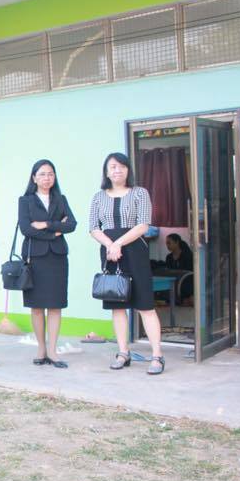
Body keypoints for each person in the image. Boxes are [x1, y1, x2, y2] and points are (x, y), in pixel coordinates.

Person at [89, 152, 165, 375]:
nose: (117, 170)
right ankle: (123, 352)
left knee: (145, 305)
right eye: (112, 167)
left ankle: (157, 356)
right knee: (117, 305)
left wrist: (118, 243)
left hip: (134, 251)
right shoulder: (98, 197)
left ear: (128, 170)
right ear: (106, 172)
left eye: (121, 166)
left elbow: (143, 225)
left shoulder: (140, 193)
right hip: (110, 254)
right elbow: (93, 227)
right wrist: (110, 245)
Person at [18, 160, 77, 369]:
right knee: (36, 306)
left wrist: (45, 224)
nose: (47, 178)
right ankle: (41, 349)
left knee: (55, 304)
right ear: (34, 178)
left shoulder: (61, 199)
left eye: (50, 174)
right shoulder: (25, 201)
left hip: (57, 258)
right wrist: (55, 231)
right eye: (42, 174)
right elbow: (26, 229)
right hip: (34, 258)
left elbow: (72, 224)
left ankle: (52, 350)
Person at [164, 233, 194, 304]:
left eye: (169, 243)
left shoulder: (187, 255)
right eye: (166, 244)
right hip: (175, 283)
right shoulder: (169, 257)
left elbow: (189, 272)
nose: (167, 246)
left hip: (187, 283)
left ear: (177, 242)